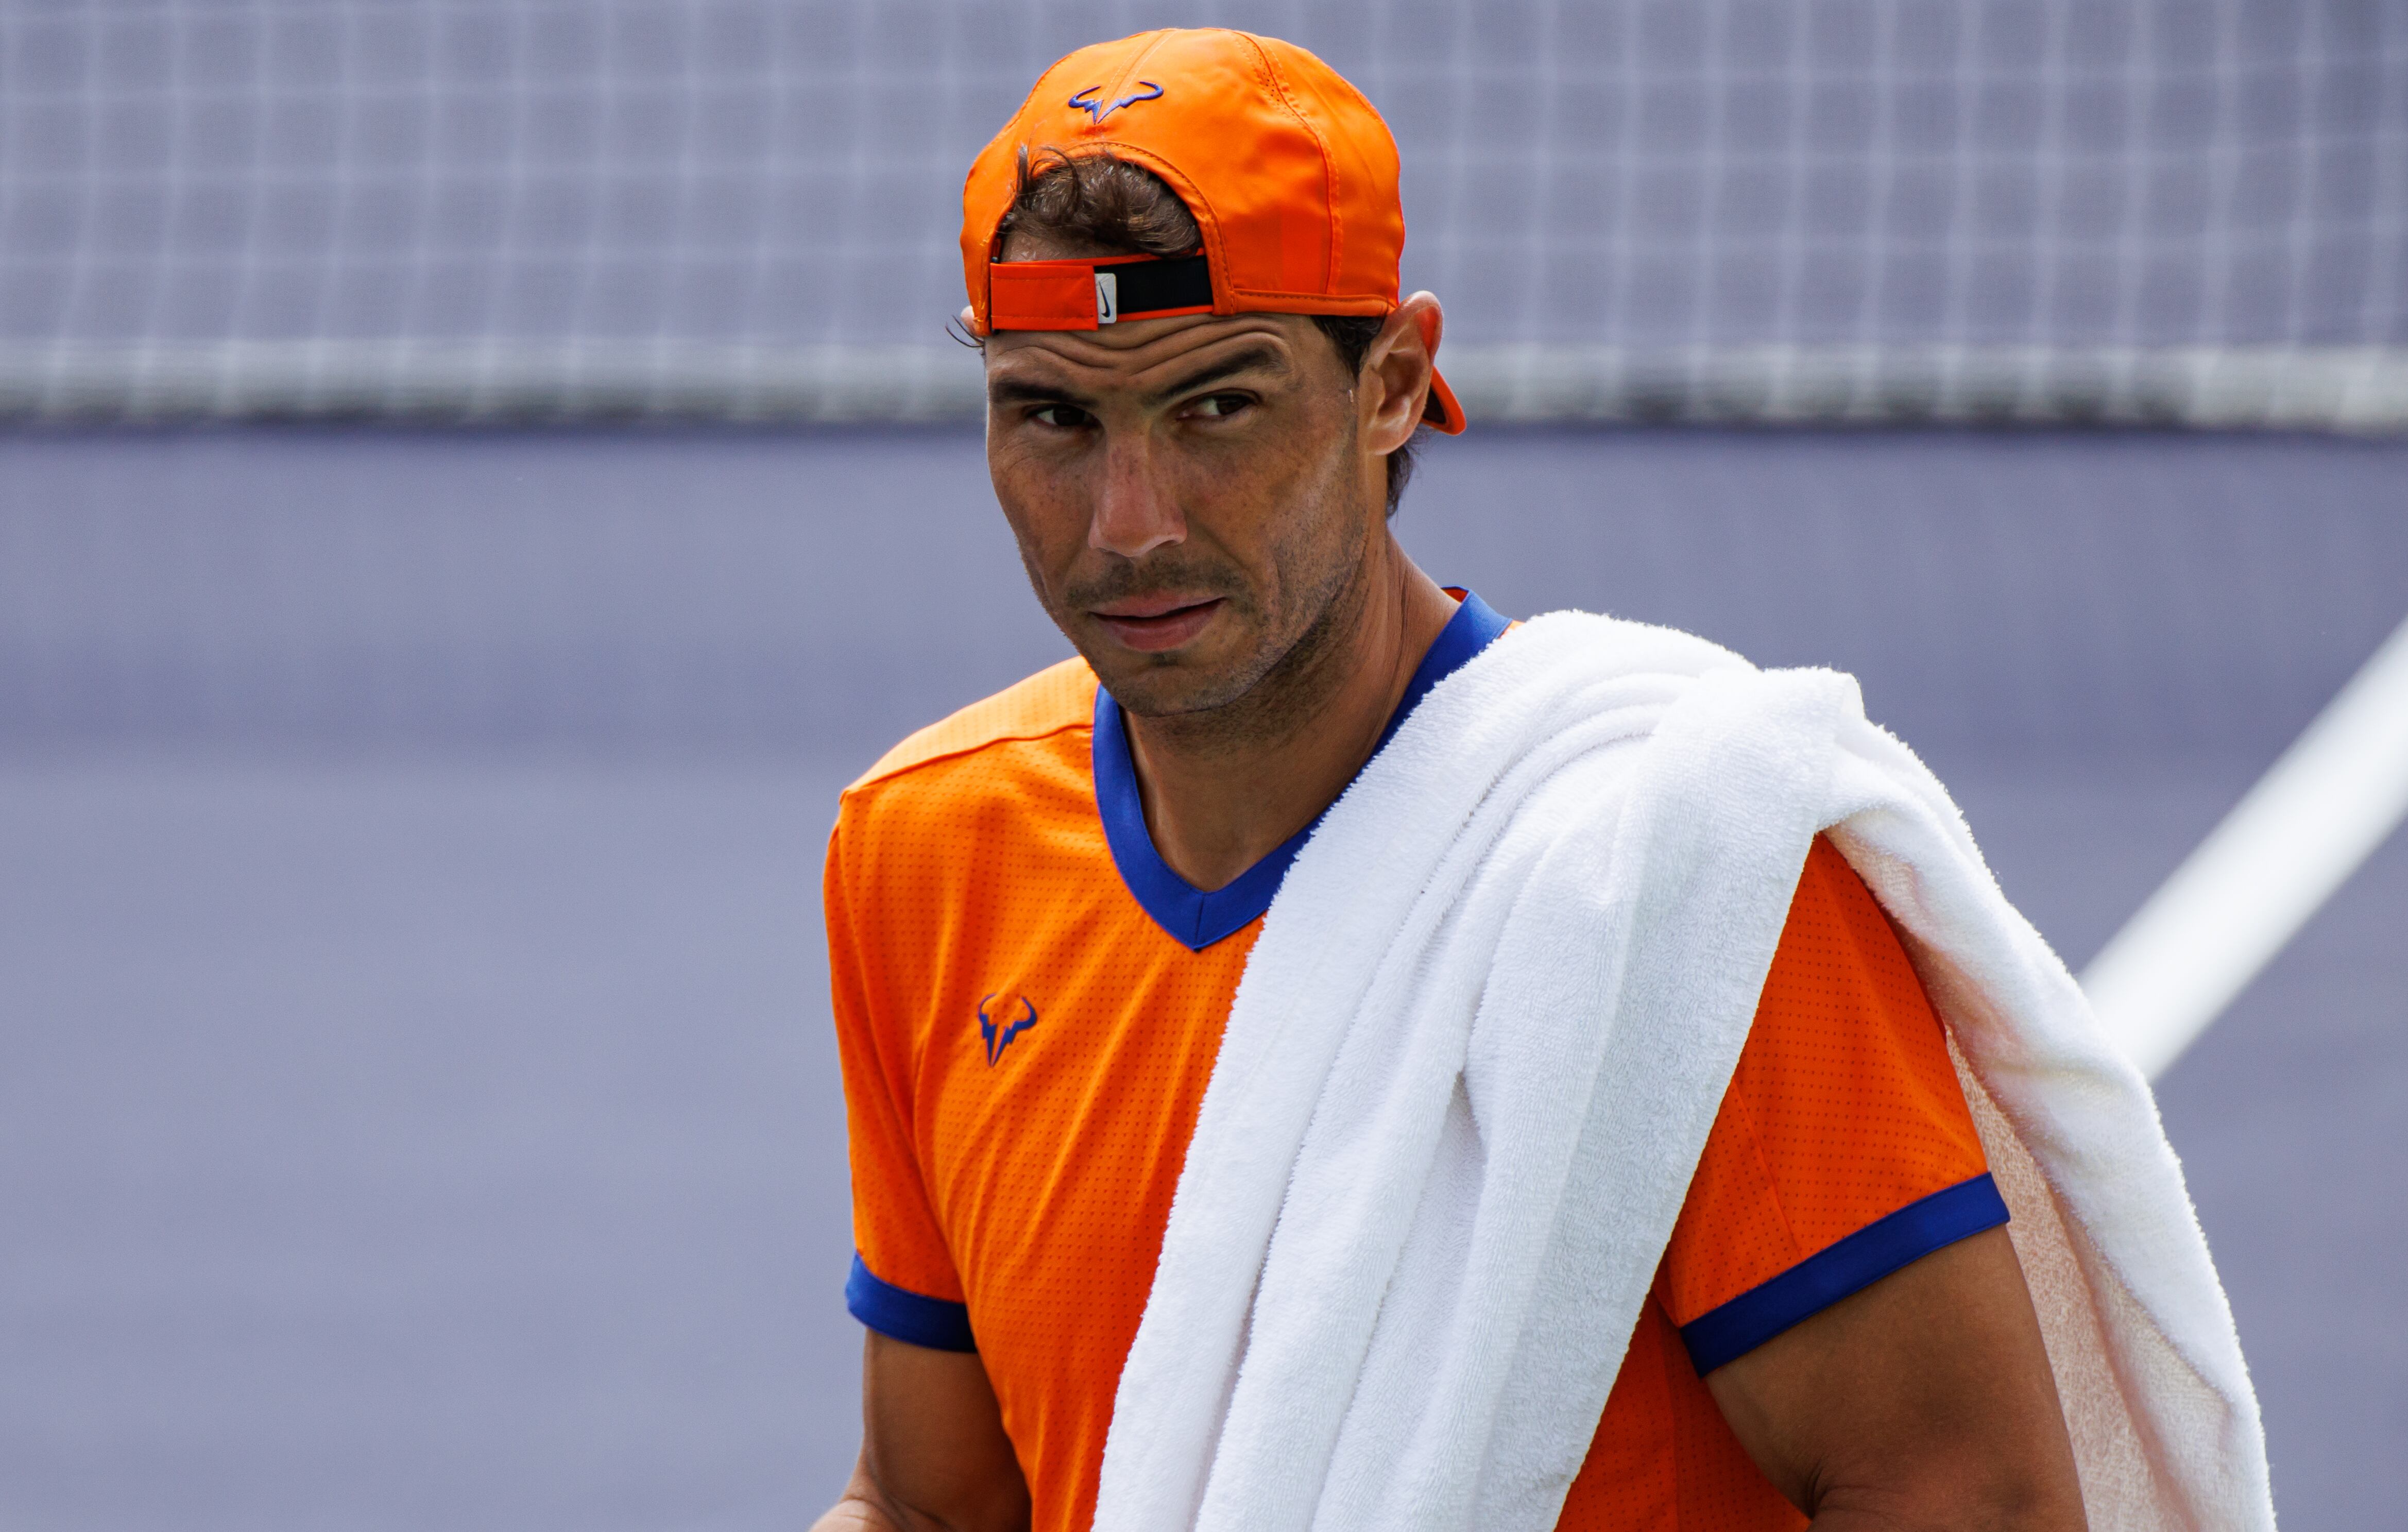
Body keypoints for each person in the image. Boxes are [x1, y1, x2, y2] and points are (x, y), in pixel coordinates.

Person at [812, 29, 2261, 1532]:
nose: (1126, 523)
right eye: (1052, 415)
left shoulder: (1674, 879)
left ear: (1392, 384)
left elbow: (1972, 1505)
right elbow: (929, 1505)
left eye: (1217, 409)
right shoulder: (924, 851)